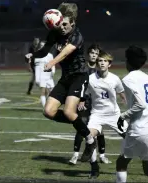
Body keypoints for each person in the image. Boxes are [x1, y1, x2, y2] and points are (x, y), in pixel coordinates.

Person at [26, 3, 97, 161]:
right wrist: (33, 56)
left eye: (65, 24)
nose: (62, 26)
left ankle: (91, 141)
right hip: (65, 78)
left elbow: (66, 52)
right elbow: (44, 51)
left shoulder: (77, 35)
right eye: (59, 23)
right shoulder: (54, 33)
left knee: (68, 112)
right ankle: (80, 122)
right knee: (48, 111)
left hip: (79, 76)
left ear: (72, 22)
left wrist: (52, 63)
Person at [116, 45, 148, 183]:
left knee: (121, 163)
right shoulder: (147, 77)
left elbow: (141, 104)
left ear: (128, 62)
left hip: (138, 129)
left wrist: (122, 116)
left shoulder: (128, 79)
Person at [80, 50, 127, 178]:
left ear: (109, 64)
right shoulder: (90, 79)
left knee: (132, 137)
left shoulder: (115, 79)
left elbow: (122, 93)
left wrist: (126, 102)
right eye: (100, 61)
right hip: (97, 115)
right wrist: (81, 101)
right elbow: (83, 92)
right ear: (96, 63)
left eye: (105, 61)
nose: (102, 63)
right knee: (89, 137)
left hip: (114, 115)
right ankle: (94, 168)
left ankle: (146, 164)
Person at [69, 44, 111, 165]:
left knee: (100, 130)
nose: (94, 55)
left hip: (97, 103)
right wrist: (79, 99)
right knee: (81, 128)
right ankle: (75, 155)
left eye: (96, 53)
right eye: (92, 53)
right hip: (83, 102)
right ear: (88, 54)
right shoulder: (82, 67)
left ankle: (102, 156)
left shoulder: (100, 68)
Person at [34, 41, 55, 107]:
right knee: (43, 92)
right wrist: (37, 78)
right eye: (41, 45)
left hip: (49, 76)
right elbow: (37, 67)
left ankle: (49, 104)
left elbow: (53, 64)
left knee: (51, 91)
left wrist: (53, 72)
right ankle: (45, 106)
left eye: (44, 45)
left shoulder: (50, 55)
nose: (42, 47)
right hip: (42, 76)